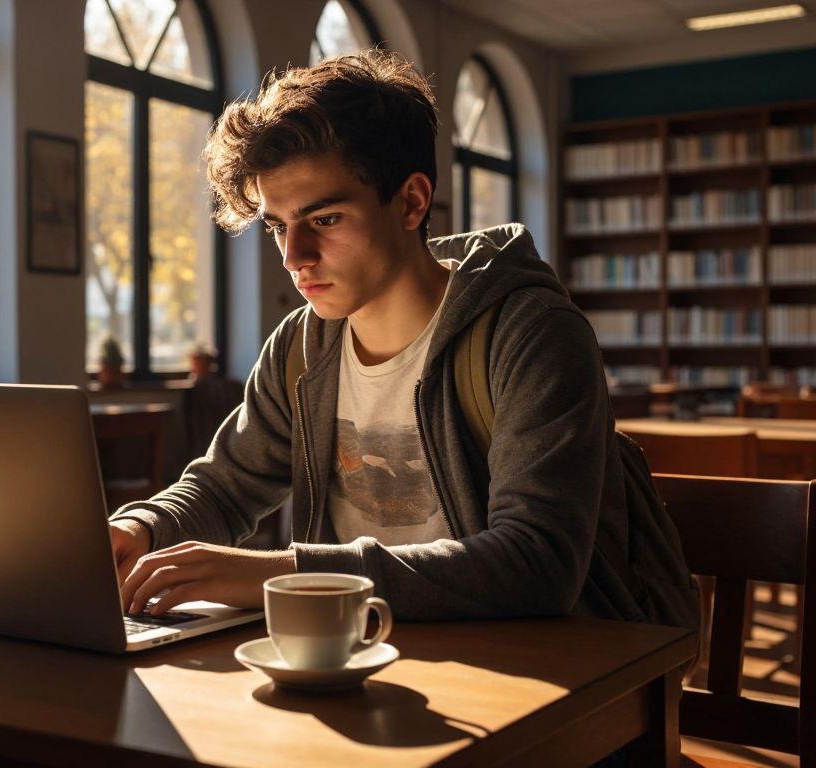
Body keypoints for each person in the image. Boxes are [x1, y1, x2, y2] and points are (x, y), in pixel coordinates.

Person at [111, 49, 654, 627]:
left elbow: (537, 563)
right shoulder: (300, 348)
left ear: (412, 203)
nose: (295, 258)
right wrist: (139, 528)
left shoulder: (530, 335)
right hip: (366, 656)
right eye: (278, 226)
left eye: (324, 220)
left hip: (549, 670)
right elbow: (225, 488)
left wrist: (282, 575)